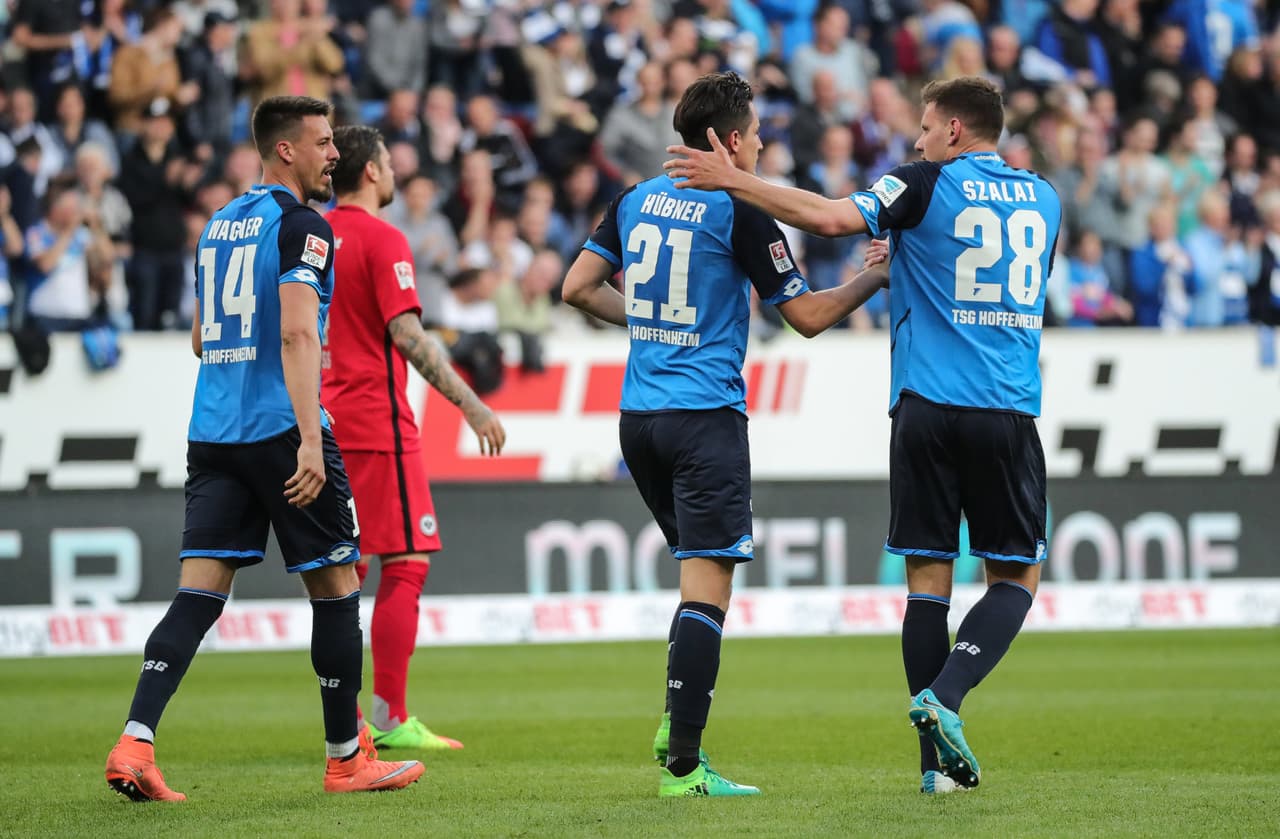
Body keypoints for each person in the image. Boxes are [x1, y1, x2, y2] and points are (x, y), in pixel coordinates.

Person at [664, 75, 1063, 795]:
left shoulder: (921, 183)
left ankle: (934, 770)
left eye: (924, 126)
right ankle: (947, 699)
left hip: (922, 410)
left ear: (954, 132)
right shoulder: (1046, 198)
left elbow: (827, 216)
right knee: (1015, 576)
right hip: (1006, 406)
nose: (915, 140)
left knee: (927, 582)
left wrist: (731, 178)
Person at [562, 71, 888, 799]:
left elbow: (576, 288)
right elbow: (803, 317)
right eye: (760, 134)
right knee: (709, 590)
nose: (765, 144)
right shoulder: (739, 209)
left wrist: (648, 319)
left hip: (638, 419)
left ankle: (675, 719)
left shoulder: (635, 201)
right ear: (731, 141)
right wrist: (876, 278)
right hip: (704, 418)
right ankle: (684, 765)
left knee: (693, 582)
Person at [104, 96, 424, 801]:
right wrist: (311, 437)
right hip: (280, 429)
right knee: (338, 587)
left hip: (213, 431)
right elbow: (298, 334)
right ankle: (347, 758)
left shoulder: (219, 223)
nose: (334, 154)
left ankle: (135, 740)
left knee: (197, 594)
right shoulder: (302, 225)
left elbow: (199, 337)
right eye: (321, 143)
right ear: (286, 151)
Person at [321, 125, 507, 751]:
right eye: (388, 163)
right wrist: (471, 404)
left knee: (346, 570)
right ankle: (388, 717)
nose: (395, 172)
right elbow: (406, 334)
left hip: (323, 420)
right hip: (377, 422)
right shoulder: (381, 236)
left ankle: (345, 724)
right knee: (405, 563)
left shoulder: (312, 237)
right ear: (372, 172)